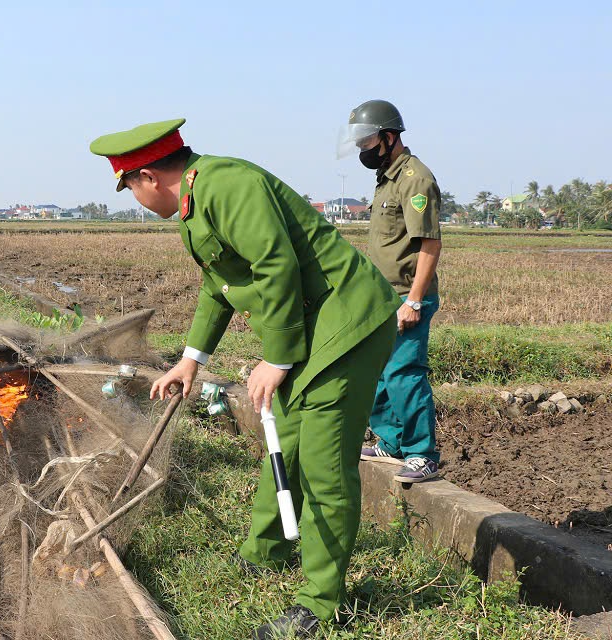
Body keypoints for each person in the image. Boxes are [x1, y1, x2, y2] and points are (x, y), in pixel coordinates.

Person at [90, 119, 401, 638]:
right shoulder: (196, 204)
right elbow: (221, 285)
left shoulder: (227, 185)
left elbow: (276, 266)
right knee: (288, 443)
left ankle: (321, 605)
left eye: (129, 188)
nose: (135, 198)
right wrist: (191, 358)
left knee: (324, 469)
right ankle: (266, 550)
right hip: (310, 325)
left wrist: (276, 359)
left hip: (344, 325)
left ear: (145, 177)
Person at [341, 100, 443, 484]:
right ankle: (392, 440)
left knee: (404, 373)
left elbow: (429, 245)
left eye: (367, 140)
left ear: (388, 137)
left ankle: (422, 453)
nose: (362, 149)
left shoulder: (416, 179)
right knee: (380, 372)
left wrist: (414, 300)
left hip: (406, 295)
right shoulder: (388, 177)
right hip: (383, 297)